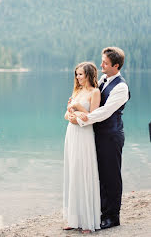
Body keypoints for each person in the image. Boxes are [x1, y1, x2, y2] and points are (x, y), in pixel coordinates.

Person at [71, 47, 130, 230]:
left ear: (116, 65)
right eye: (102, 61)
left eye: (105, 62)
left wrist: (82, 118)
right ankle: (101, 212)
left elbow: (104, 111)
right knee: (99, 174)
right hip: (97, 135)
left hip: (111, 136)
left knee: (111, 176)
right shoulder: (103, 80)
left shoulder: (121, 87)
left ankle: (113, 217)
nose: (101, 65)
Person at [63, 62, 101, 233]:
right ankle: (73, 218)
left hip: (84, 136)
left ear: (89, 75)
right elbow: (66, 114)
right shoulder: (76, 91)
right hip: (72, 133)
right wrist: (72, 116)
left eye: (81, 74)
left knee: (83, 172)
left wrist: (77, 109)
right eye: (76, 74)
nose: (78, 78)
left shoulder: (95, 92)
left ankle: (87, 221)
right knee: (73, 172)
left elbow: (92, 117)